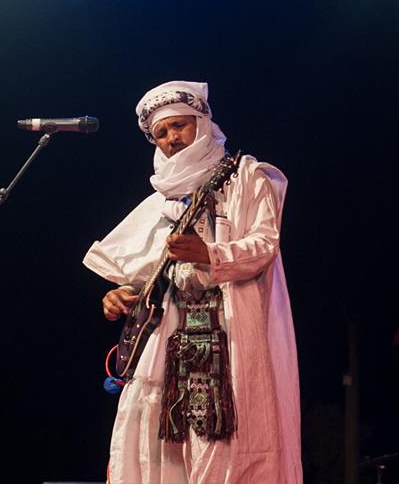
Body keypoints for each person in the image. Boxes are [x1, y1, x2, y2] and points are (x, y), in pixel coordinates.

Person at [82, 81, 302, 484]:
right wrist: (125, 294)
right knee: (156, 442)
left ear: (201, 123)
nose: (171, 138)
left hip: (231, 334)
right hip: (169, 342)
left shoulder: (246, 177)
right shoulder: (161, 202)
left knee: (232, 446)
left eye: (179, 125)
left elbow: (264, 244)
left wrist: (210, 255)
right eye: (161, 133)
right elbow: (154, 276)